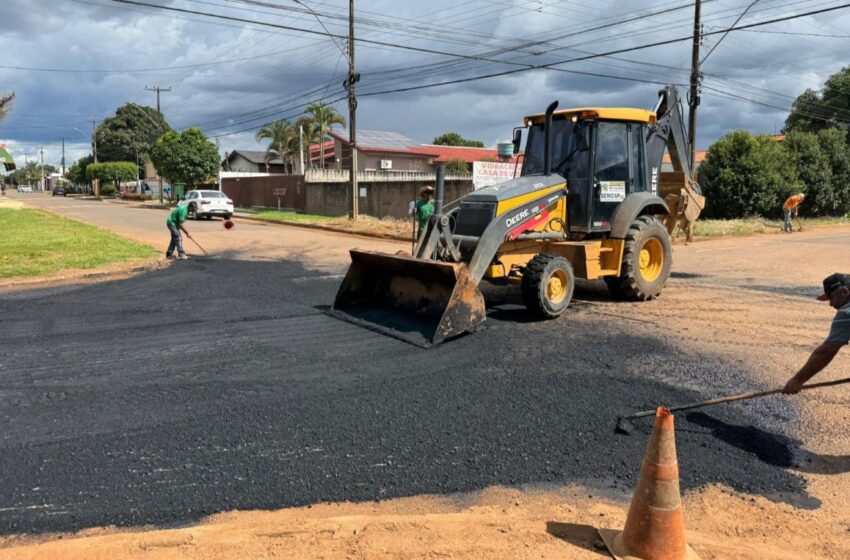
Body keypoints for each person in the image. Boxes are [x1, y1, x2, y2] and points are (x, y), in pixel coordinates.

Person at [783, 273, 850, 394]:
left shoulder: (846, 312)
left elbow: (826, 351)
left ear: (844, 292)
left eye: (831, 297)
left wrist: (797, 380)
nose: (831, 304)